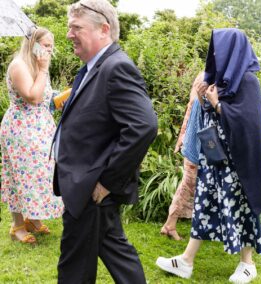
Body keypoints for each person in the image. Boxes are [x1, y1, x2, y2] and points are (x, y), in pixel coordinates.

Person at [156, 28, 261, 284]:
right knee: (204, 205)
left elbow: (248, 124)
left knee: (242, 208)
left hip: (237, 163)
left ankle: (248, 263)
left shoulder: (248, 81)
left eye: (220, 50)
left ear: (234, 51)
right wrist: (203, 98)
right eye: (214, 50)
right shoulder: (217, 79)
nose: (215, 55)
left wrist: (219, 104)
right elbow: (209, 115)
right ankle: (186, 261)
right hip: (214, 158)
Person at [52, 0, 157, 283]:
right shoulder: (91, 68)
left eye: (76, 27)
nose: (69, 34)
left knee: (73, 267)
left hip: (91, 186)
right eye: (68, 27)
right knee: (113, 251)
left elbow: (144, 125)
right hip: (85, 186)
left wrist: (108, 182)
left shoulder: (116, 67)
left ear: (104, 29)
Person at [0, 27, 64, 245]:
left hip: (40, 126)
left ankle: (33, 218)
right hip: (21, 129)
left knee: (40, 173)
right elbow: (33, 97)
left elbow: (45, 98)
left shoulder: (36, 65)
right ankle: (17, 224)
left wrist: (61, 97)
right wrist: (44, 69)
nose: (49, 50)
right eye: (46, 45)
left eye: (51, 46)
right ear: (33, 43)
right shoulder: (19, 65)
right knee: (20, 174)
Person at [160, 72, 204, 241]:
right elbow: (192, 108)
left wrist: (181, 138)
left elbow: (189, 108)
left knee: (190, 184)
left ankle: (172, 224)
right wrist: (182, 139)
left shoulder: (203, 76)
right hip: (196, 143)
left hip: (194, 141)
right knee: (188, 184)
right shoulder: (204, 78)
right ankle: (170, 224)